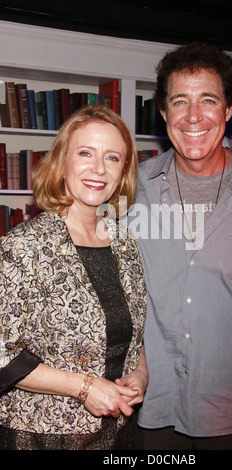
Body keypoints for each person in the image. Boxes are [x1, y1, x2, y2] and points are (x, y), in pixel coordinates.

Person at [126, 42, 232, 450]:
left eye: (208, 100)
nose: (193, 117)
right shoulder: (131, 187)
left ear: (229, 108)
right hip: (150, 413)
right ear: (164, 113)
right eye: (179, 101)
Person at [0, 105, 148, 450]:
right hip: (43, 436)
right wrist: (83, 387)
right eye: (85, 153)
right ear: (61, 161)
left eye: (113, 158)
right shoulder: (22, 247)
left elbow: (134, 332)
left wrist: (141, 374)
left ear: (123, 171)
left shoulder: (126, 242)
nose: (99, 168)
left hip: (120, 433)